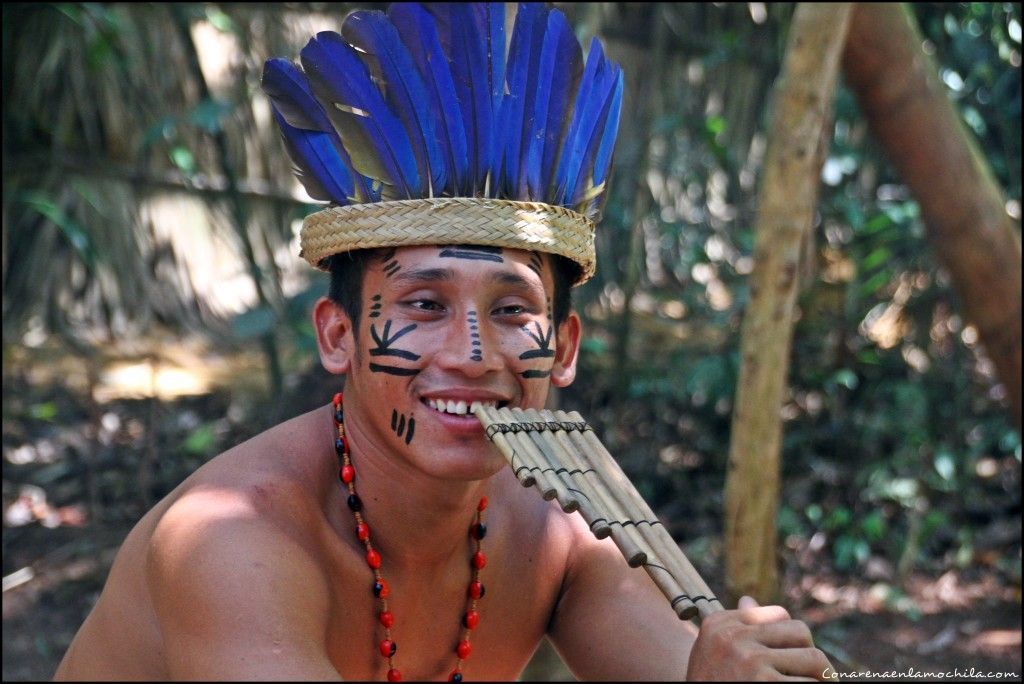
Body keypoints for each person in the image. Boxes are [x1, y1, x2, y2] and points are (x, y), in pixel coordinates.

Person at [54, 3, 832, 681]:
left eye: (510, 311)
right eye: (423, 305)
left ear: (563, 348)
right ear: (339, 335)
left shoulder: (559, 534)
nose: (472, 352)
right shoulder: (232, 542)